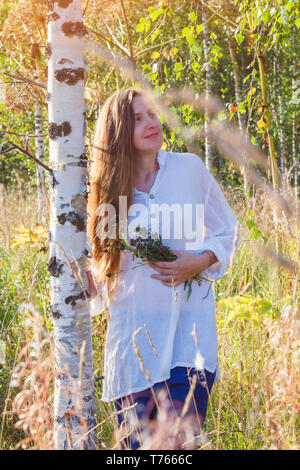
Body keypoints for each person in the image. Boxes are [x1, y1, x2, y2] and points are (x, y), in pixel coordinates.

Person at [86, 88, 240, 450]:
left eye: (152, 114)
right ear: (118, 131)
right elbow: (100, 279)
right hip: (133, 353)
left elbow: (228, 230)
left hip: (190, 346)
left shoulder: (189, 169)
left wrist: (198, 262)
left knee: (175, 450)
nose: (151, 123)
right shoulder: (106, 193)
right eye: (137, 119)